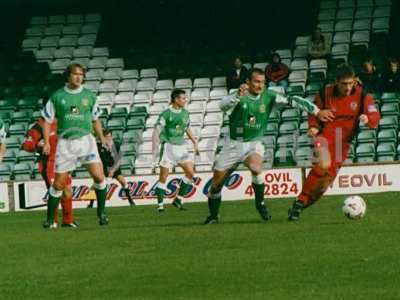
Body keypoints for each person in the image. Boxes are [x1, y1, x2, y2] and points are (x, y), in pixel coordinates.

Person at [204, 68, 334, 224]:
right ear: (248, 82)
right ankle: (214, 216)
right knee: (216, 186)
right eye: (257, 82)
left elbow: (293, 100)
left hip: (254, 144)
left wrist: (316, 111)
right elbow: (222, 106)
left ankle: (260, 204)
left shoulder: (269, 95)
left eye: (263, 82)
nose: (260, 85)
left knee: (256, 168)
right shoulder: (238, 95)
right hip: (233, 145)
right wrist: (237, 96)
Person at [288, 64, 380, 221]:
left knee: (322, 187)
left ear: (355, 81)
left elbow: (375, 115)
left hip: (342, 144)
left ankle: (298, 206)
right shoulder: (325, 93)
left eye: (351, 83)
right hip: (325, 137)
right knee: (323, 164)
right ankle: (302, 198)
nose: (348, 87)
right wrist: (313, 127)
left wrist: (367, 118)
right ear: (336, 81)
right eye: (344, 83)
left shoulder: (363, 96)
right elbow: (313, 112)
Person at [41, 63, 109, 228]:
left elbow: (95, 120)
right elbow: (47, 121)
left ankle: (101, 213)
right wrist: (47, 142)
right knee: (58, 184)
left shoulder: (90, 96)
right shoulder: (57, 96)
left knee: (99, 177)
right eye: (75, 74)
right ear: (68, 76)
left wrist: (101, 137)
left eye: (81, 74)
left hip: (87, 141)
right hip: (66, 144)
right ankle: (50, 220)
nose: (79, 77)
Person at [21, 117, 78, 228]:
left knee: (68, 191)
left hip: (64, 162)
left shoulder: (62, 121)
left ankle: (68, 221)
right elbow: (27, 145)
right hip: (48, 163)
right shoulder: (38, 126)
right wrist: (37, 145)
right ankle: (52, 221)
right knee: (56, 190)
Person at [152, 89, 200, 212]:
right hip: (168, 146)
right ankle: (160, 205)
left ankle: (178, 199)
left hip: (181, 147)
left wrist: (195, 142)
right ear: (175, 99)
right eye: (183, 98)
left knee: (190, 173)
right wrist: (156, 147)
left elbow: (187, 128)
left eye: (185, 98)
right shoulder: (166, 114)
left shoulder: (185, 113)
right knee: (164, 176)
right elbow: (157, 130)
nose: (185, 100)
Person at [87, 129, 135, 208]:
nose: (108, 138)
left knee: (123, 181)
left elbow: (118, 160)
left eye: (110, 136)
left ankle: (131, 201)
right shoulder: (98, 146)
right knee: (95, 185)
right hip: (103, 169)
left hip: (114, 167)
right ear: (103, 137)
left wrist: (112, 170)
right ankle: (91, 204)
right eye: (106, 137)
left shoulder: (115, 145)